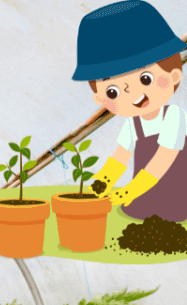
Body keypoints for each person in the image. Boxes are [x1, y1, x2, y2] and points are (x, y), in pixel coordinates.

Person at [74, 0, 187, 222]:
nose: (130, 91)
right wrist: (99, 185)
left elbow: (164, 159)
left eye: (145, 78)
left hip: (176, 195)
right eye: (113, 91)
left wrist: (131, 190)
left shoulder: (173, 117)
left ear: (174, 75)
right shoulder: (133, 124)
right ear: (101, 99)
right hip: (144, 197)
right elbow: (119, 158)